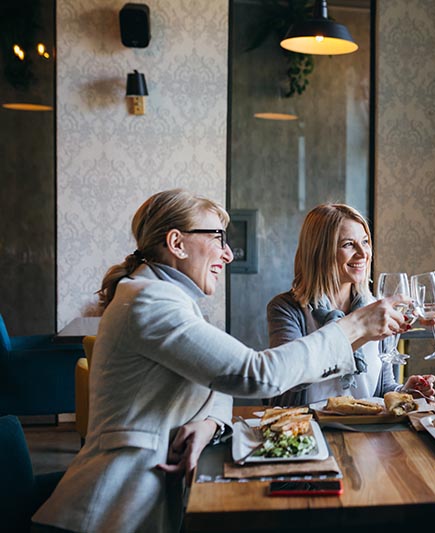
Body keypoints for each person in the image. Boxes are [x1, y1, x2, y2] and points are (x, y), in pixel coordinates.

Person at [32, 190, 407, 533]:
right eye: (218, 238)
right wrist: (354, 326)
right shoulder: (151, 303)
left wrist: (210, 422)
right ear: (177, 243)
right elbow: (255, 375)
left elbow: (219, 377)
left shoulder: (164, 298)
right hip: (112, 510)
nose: (228, 254)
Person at [266, 203, 435, 406]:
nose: (363, 253)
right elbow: (289, 379)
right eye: (348, 244)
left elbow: (382, 390)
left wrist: (405, 392)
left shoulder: (378, 309)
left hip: (366, 433)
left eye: (365, 242)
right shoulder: (287, 309)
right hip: (308, 431)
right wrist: (360, 331)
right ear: (319, 252)